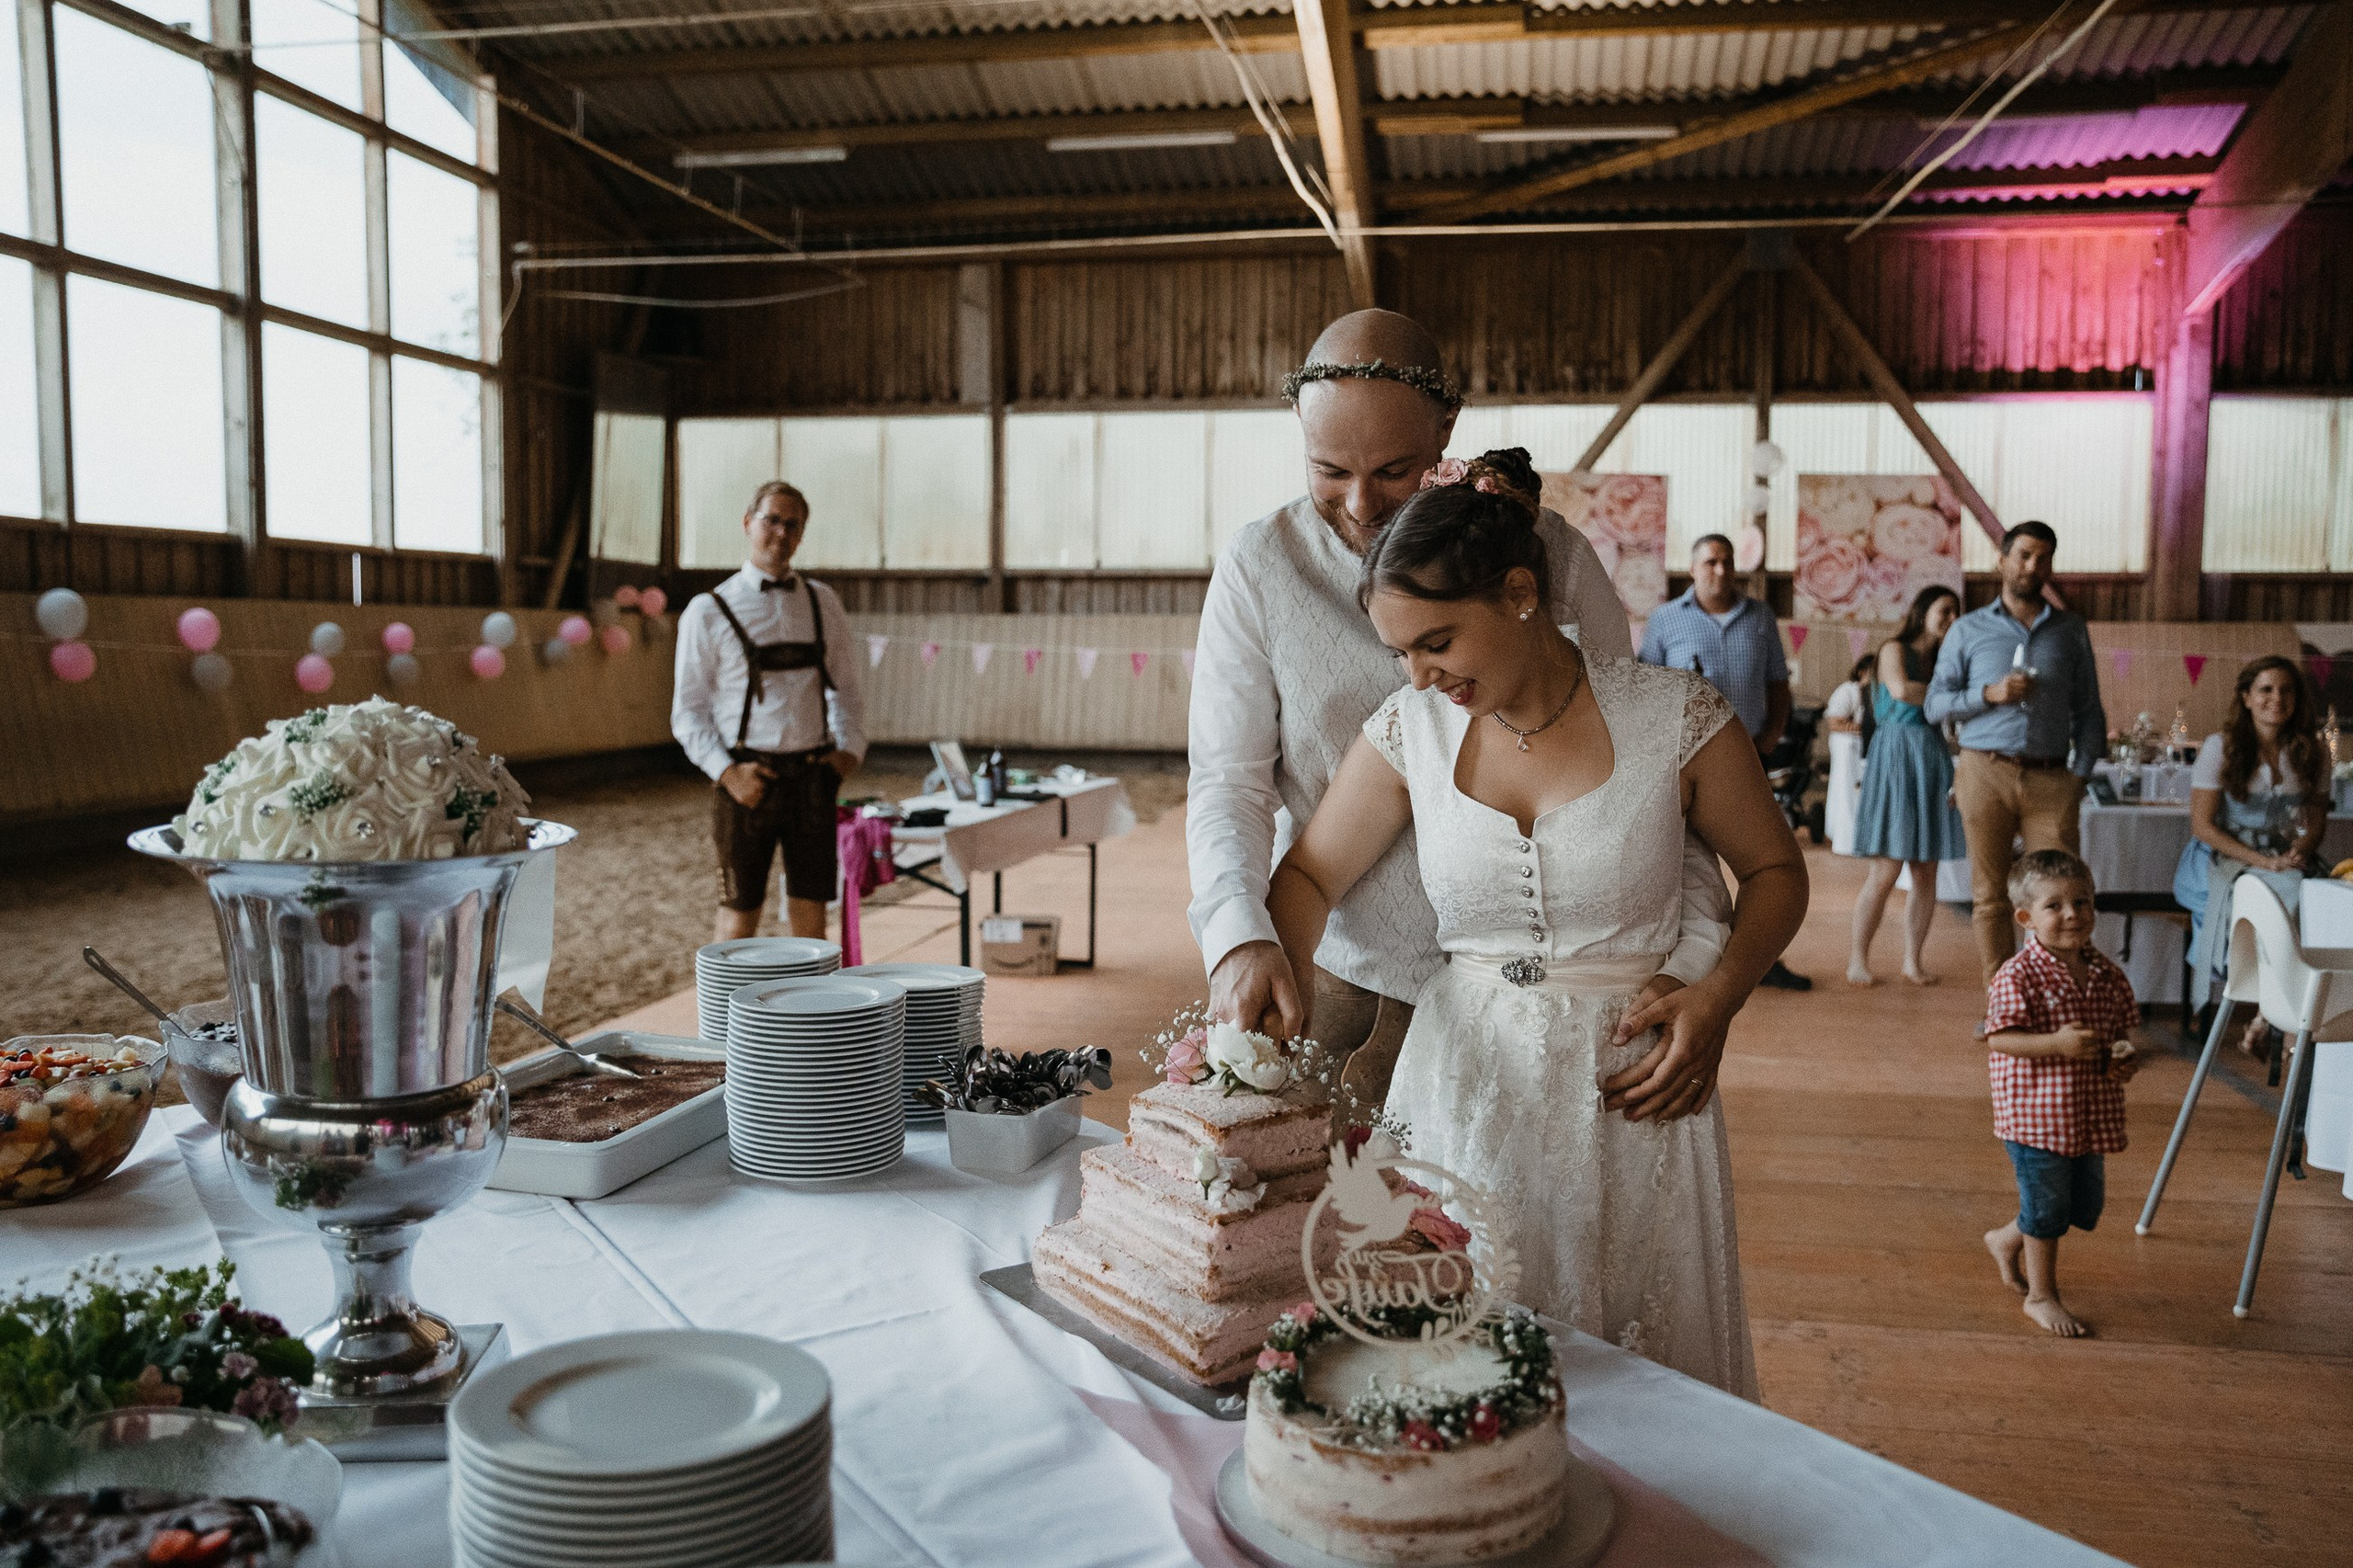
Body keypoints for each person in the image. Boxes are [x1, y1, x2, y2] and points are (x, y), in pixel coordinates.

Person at [1266, 449, 1809, 1395]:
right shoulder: (1407, 729)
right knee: (1460, 1362)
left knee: (1640, 1371)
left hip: (1632, 1090)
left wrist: (1716, 994)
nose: (1420, 673)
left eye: (1436, 641)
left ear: (1519, 593)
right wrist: (1263, 962)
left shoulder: (1675, 716)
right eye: (1399, 649)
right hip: (1461, 1085)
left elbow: (1772, 871)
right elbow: (1311, 871)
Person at [1187, 309, 1721, 1114]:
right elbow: (1229, 782)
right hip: (1344, 977)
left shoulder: (1549, 557)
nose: (1362, 505)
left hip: (1543, 1003)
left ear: (1448, 429)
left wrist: (1701, 966)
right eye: (1329, 470)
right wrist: (1239, 936)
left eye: (1396, 470)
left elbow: (1650, 779)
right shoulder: (1260, 567)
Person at [673, 481, 866, 943]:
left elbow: (849, 691)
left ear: (802, 534)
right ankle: (722, 1019)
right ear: (748, 523)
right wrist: (727, 773)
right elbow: (688, 711)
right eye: (771, 520)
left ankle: (810, 1017)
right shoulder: (708, 610)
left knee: (813, 922)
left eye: (792, 524)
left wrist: (848, 753)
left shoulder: (823, 602)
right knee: (739, 919)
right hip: (745, 782)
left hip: (813, 778)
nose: (781, 532)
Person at [1925, 522, 2108, 982]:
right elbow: (1934, 704)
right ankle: (2002, 1002)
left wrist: (2079, 777)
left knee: (2061, 894)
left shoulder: (2070, 629)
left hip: (2052, 779)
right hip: (1984, 771)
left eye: (2043, 558)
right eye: (2024, 555)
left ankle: (2058, 994)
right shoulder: (1967, 630)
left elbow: (2089, 708)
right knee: (1990, 896)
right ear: (2001, 562)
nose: (2033, 566)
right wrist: (1988, 694)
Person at [1980, 849, 2142, 1338]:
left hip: (2088, 1112)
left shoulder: (2108, 975)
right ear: (2026, 917)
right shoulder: (2017, 975)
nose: (2073, 913)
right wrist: (2056, 1043)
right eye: (2055, 905)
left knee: (2080, 1207)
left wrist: (2123, 1060)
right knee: (2049, 1209)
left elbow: (2122, 1034)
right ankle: (2042, 1295)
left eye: (2083, 901)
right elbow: (1999, 1037)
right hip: (2035, 1116)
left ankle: (2007, 1238)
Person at [1640, 532, 1811, 992]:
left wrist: (1774, 733)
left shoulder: (1760, 618)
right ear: (1692, 569)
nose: (1720, 570)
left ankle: (1761, 956)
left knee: (1762, 863)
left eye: (1727, 562)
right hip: (1683, 762)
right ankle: (1685, 959)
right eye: (1711, 562)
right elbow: (1645, 688)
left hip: (1750, 757)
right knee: (1686, 863)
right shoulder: (1664, 621)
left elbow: (1778, 681)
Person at [2171, 656, 2329, 1020]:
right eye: (2266, 689)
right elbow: (2204, 827)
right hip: (2224, 855)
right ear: (2246, 697)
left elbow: (2317, 823)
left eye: (2287, 690)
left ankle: (2278, 1013)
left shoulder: (2313, 752)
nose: (2277, 698)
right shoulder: (2220, 747)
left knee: (2321, 895)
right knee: (2284, 891)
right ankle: (2272, 1010)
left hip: (2285, 854)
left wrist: (2296, 852)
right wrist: (2265, 863)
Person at [1847, 585, 1965, 987]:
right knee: (1885, 869)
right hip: (1896, 755)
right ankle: (1857, 958)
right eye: (1944, 610)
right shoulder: (1893, 650)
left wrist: (1947, 696)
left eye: (1956, 613)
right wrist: (1952, 696)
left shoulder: (1945, 661)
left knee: (1925, 870)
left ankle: (1913, 960)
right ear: (1922, 610)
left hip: (1931, 759)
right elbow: (1900, 690)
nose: (1951, 619)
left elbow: (1940, 705)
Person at [1822, 653, 1874, 857]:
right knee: (1847, 791)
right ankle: (1847, 839)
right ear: (1861, 672)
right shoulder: (1849, 691)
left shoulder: (1873, 694)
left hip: (1863, 746)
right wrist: (1861, 728)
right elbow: (1835, 722)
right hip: (1847, 747)